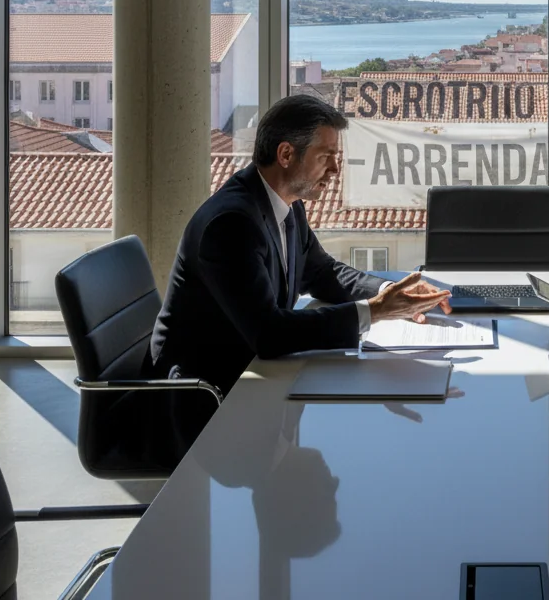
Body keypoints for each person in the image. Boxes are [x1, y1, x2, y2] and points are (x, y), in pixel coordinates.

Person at [148, 93, 451, 454]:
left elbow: (323, 273)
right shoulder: (232, 224)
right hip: (206, 397)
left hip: (257, 377)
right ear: (286, 154)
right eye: (327, 157)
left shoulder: (286, 205)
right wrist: (375, 311)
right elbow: (269, 335)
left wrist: (391, 293)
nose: (336, 170)